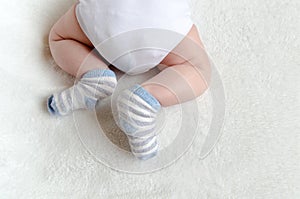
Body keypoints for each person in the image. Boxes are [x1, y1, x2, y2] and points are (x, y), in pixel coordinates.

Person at [47, 0, 211, 160]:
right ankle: (145, 100)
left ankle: (94, 75)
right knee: (198, 68)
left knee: (59, 38)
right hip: (161, 23)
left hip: (103, 19)